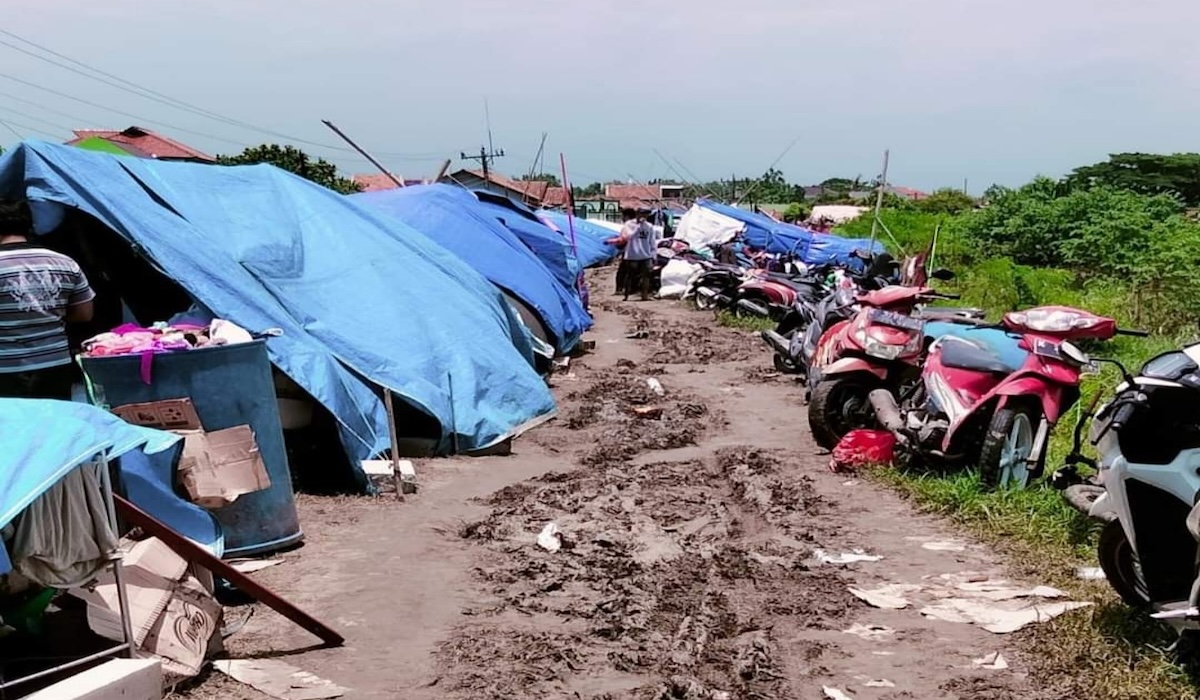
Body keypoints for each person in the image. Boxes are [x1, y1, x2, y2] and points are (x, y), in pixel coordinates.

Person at [0, 200, 95, 399]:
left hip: (6, 368)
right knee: (55, 417)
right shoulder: (64, 262)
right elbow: (84, 314)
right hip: (56, 365)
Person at [621, 210, 660, 301]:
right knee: (630, 276)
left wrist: (654, 255)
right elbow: (628, 236)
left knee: (646, 276)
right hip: (632, 255)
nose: (644, 216)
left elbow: (652, 241)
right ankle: (626, 295)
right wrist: (638, 226)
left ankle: (644, 295)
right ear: (637, 214)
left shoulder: (649, 226)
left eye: (646, 215)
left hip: (646, 255)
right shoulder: (629, 224)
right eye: (642, 214)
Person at [605, 208, 638, 295]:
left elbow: (623, 239)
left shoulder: (627, 226)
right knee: (634, 272)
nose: (622, 218)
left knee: (623, 272)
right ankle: (632, 290)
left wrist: (610, 241)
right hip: (641, 253)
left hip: (628, 252)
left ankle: (620, 289)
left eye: (622, 216)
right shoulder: (640, 225)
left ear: (626, 216)